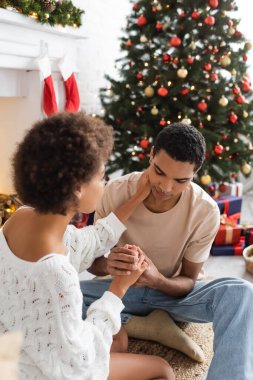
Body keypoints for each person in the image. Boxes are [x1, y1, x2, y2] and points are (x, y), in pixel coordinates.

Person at [0, 112, 174, 380]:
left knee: (118, 340)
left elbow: (92, 239)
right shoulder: (57, 273)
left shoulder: (20, 218)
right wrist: (119, 288)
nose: (104, 185)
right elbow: (80, 366)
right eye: (101, 176)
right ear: (79, 187)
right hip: (35, 372)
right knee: (162, 369)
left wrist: (139, 195)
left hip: (7, 354)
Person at [80, 122, 253, 380]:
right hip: (118, 289)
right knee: (59, 289)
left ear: (194, 175)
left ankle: (141, 323)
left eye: (180, 180)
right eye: (159, 172)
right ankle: (148, 325)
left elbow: (188, 281)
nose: (166, 187)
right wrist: (109, 265)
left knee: (241, 292)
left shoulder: (205, 211)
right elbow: (91, 261)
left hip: (172, 296)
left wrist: (156, 279)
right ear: (151, 155)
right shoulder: (116, 191)